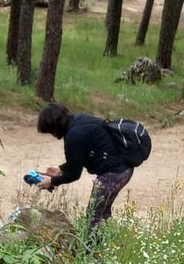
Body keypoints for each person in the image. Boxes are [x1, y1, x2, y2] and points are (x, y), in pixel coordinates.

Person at [30, 102, 137, 247]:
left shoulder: (73, 136)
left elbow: (74, 174)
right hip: (124, 168)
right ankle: (112, 246)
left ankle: (91, 253)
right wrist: (60, 169)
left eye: (50, 131)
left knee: (94, 214)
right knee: (102, 212)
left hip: (114, 172)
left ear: (55, 126)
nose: (53, 136)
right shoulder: (79, 120)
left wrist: (52, 181)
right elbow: (77, 161)